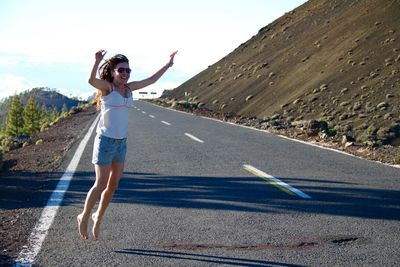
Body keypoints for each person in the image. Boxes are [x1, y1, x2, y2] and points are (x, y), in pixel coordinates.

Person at [77, 49, 177, 240]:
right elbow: (91, 81)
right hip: (105, 142)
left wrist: (168, 65)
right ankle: (84, 217)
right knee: (100, 184)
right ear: (113, 71)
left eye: (128, 71)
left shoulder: (129, 88)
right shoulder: (108, 88)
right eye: (121, 70)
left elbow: (152, 80)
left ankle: (98, 217)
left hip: (121, 144)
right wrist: (96, 61)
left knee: (112, 187)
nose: (125, 74)